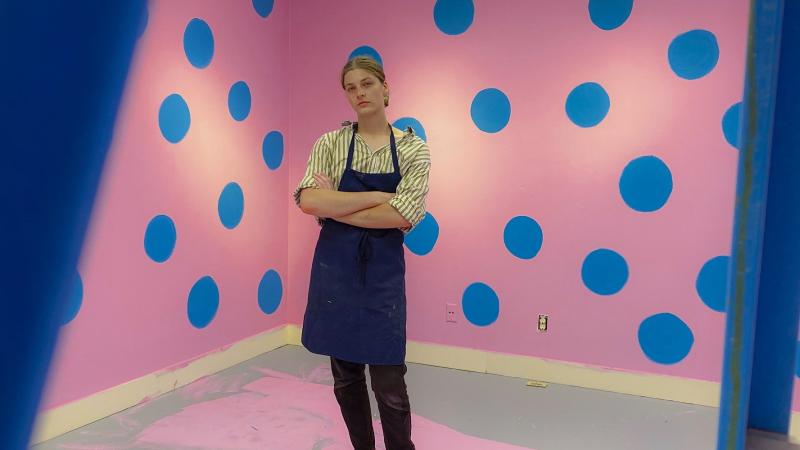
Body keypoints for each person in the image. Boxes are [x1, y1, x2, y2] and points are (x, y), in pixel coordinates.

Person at [293, 55, 431, 450]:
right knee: (345, 377)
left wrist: (336, 203)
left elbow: (403, 213)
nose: (359, 93)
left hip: (383, 278)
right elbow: (307, 201)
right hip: (334, 272)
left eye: (367, 84)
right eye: (350, 87)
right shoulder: (330, 142)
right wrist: (377, 197)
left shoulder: (413, 150)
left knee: (389, 382)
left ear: (385, 88)